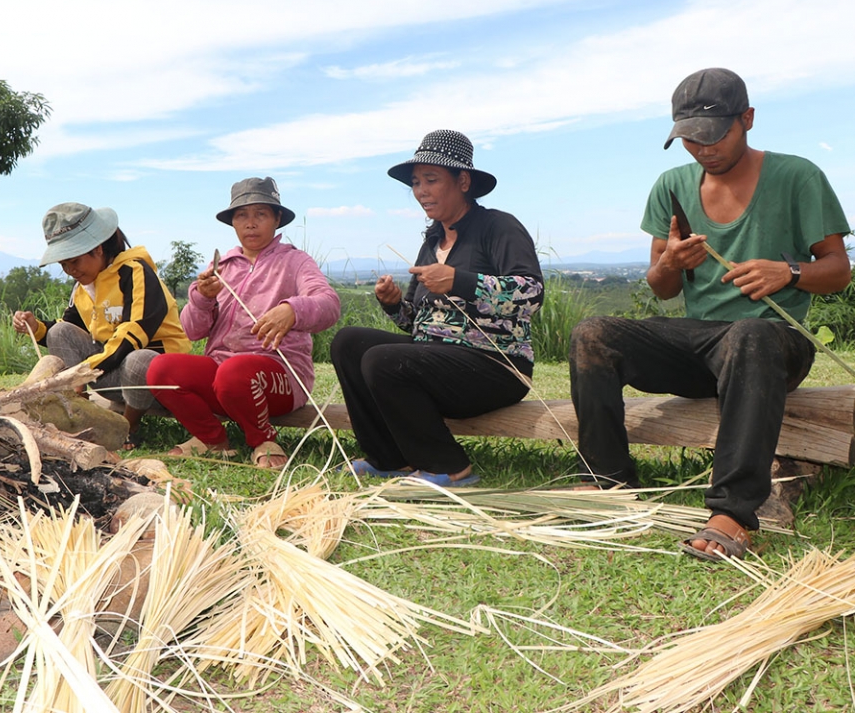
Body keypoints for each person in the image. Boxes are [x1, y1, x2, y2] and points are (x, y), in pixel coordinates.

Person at [568, 68, 851, 561]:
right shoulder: (671, 185)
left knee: (750, 332)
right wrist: (671, 263)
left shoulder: (798, 175)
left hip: (775, 342)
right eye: (690, 141)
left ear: (748, 119)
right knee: (593, 334)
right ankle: (608, 480)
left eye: (715, 136)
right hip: (700, 343)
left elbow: (838, 271)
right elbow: (662, 289)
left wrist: (788, 271)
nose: (704, 150)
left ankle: (733, 513)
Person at [330, 130, 544, 487]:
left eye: (431, 180)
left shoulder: (498, 226)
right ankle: (388, 458)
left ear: (463, 181)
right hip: (438, 361)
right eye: (416, 183)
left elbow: (531, 295)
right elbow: (416, 326)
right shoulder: (432, 240)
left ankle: (448, 466)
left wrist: (460, 281)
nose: (421, 191)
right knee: (349, 342)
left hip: (497, 367)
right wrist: (394, 303)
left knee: (382, 360)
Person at [148, 177, 341, 469]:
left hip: (279, 378)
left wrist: (292, 309)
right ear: (233, 223)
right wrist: (202, 298)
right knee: (161, 369)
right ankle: (212, 439)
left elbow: (329, 304)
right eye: (242, 215)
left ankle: (262, 438)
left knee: (234, 373)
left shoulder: (296, 262)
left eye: (260, 214)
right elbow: (191, 330)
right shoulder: (221, 267)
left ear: (277, 219)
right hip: (221, 375)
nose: (250, 223)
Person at [12, 202, 190, 448]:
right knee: (59, 331)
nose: (70, 270)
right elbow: (69, 329)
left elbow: (132, 334)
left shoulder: (135, 272)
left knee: (138, 359)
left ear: (97, 249)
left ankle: (127, 427)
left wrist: (80, 372)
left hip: (156, 381)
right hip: (112, 374)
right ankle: (80, 413)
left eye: (74, 261)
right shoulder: (83, 286)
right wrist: (37, 327)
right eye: (64, 265)